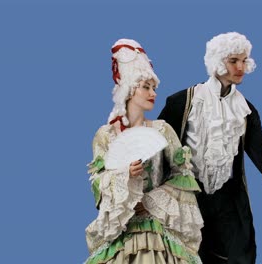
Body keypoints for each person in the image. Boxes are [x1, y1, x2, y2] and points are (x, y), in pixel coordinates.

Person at [158, 32, 262, 264]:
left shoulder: (245, 110)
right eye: (233, 61)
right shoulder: (182, 102)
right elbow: (157, 149)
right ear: (218, 62)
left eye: (244, 60)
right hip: (187, 200)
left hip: (229, 205)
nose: (241, 67)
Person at [85, 39, 203, 264]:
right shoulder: (105, 135)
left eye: (154, 88)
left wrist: (151, 201)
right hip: (123, 229)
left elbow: (183, 176)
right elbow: (97, 185)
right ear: (130, 90)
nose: (153, 93)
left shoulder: (162, 129)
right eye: (146, 87)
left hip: (158, 227)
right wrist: (125, 176)